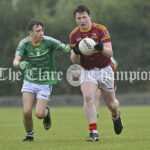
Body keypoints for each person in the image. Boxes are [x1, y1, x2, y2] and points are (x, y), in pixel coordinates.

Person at [69, 5, 123, 142]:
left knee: (111, 104)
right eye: (78, 18)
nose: (82, 20)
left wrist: (101, 48)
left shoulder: (101, 30)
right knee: (88, 96)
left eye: (84, 17)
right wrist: (76, 52)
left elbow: (110, 52)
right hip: (87, 71)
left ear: (90, 17)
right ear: (76, 19)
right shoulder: (74, 35)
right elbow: (74, 61)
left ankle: (116, 116)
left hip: (105, 69)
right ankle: (93, 132)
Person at [13, 20, 70, 142]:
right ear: (30, 32)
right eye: (38, 31)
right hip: (30, 80)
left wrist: (73, 49)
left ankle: (46, 113)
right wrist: (20, 63)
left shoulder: (48, 41)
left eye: (42, 30)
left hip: (45, 81)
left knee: (39, 114)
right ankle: (29, 135)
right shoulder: (24, 43)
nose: (41, 33)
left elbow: (65, 48)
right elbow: (15, 61)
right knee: (26, 111)